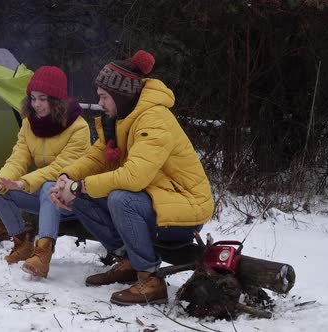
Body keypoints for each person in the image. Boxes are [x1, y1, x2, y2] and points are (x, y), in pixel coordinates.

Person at [49, 50, 214, 306]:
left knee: (120, 198)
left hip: (185, 209)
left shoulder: (154, 118)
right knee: (82, 198)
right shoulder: (121, 118)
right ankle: (128, 261)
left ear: (121, 94)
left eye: (104, 97)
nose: (100, 103)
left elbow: (135, 177)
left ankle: (151, 278)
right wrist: (67, 178)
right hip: (154, 201)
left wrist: (78, 186)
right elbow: (97, 158)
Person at [0, 66, 90, 279]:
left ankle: (43, 254)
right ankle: (21, 244)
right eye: (33, 98)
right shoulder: (29, 123)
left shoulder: (78, 127)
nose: (36, 104)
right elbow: (19, 157)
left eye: (42, 99)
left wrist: (23, 183)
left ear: (56, 100)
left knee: (48, 185)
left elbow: (59, 169)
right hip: (46, 198)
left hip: (73, 199)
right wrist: (0, 182)